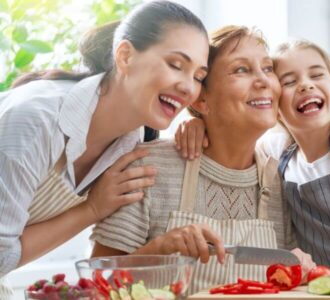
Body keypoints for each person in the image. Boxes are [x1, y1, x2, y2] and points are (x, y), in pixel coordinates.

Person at [0, 1, 209, 297]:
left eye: (199, 77)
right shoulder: (34, 120)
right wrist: (92, 209)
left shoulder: (132, 143)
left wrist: (202, 124)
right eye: (176, 65)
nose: (189, 87)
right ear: (125, 56)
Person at [91, 26, 315, 295]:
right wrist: (161, 249)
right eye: (241, 70)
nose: (264, 81)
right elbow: (97, 283)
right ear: (201, 99)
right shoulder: (148, 167)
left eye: (267, 68)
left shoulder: (279, 179)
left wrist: (301, 268)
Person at [176, 40, 330, 277]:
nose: (306, 85)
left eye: (316, 75)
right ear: (276, 106)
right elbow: (231, 136)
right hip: (328, 288)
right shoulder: (276, 152)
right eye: (289, 82)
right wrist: (198, 123)